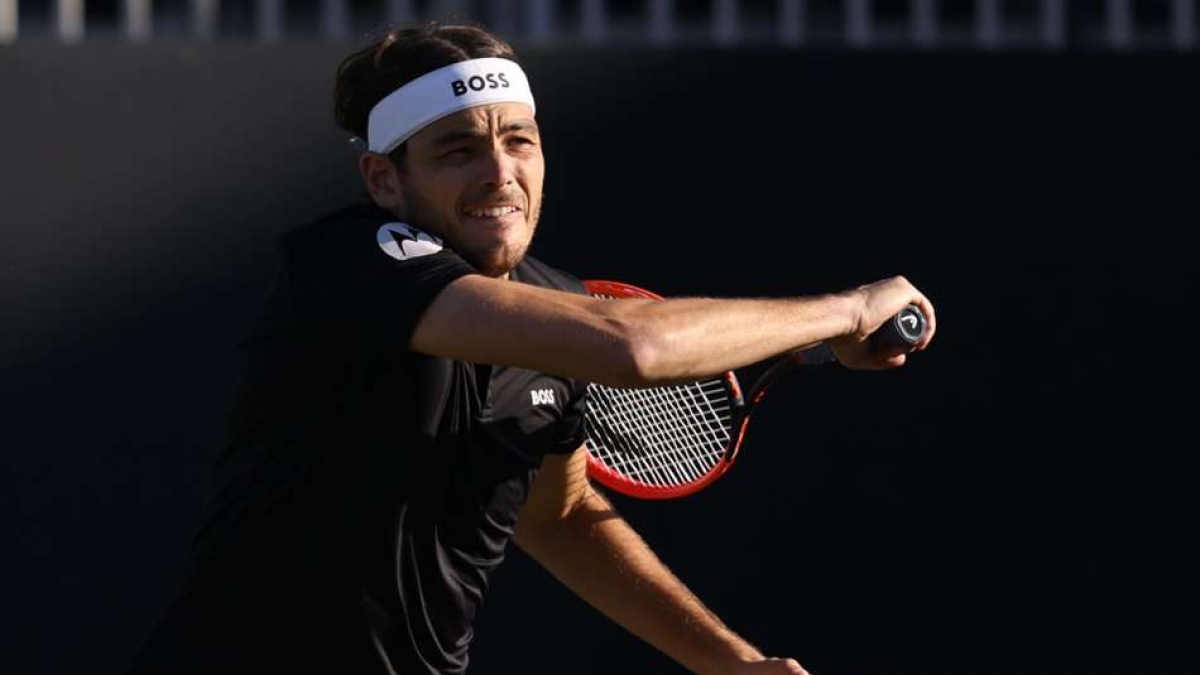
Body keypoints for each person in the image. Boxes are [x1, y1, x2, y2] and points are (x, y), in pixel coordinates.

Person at [126, 21, 936, 675]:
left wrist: (729, 661)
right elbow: (634, 348)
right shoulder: (349, 262)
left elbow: (562, 514)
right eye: (457, 149)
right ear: (384, 180)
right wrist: (846, 310)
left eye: (519, 140)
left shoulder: (557, 312)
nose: (499, 171)